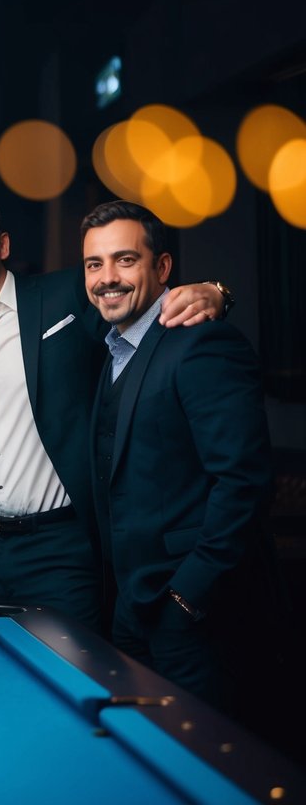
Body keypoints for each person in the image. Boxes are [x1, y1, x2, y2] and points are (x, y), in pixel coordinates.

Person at [0, 190, 229, 630]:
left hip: (63, 547)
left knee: (75, 664)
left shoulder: (65, 295)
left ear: (3, 244)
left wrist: (215, 293)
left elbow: (138, 299)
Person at [80, 200, 270, 701]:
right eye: (94, 264)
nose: (107, 278)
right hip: (129, 609)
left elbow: (244, 483)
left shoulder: (202, 343)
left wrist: (188, 597)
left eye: (125, 260)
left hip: (190, 614)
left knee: (202, 746)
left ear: (162, 267)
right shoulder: (111, 348)